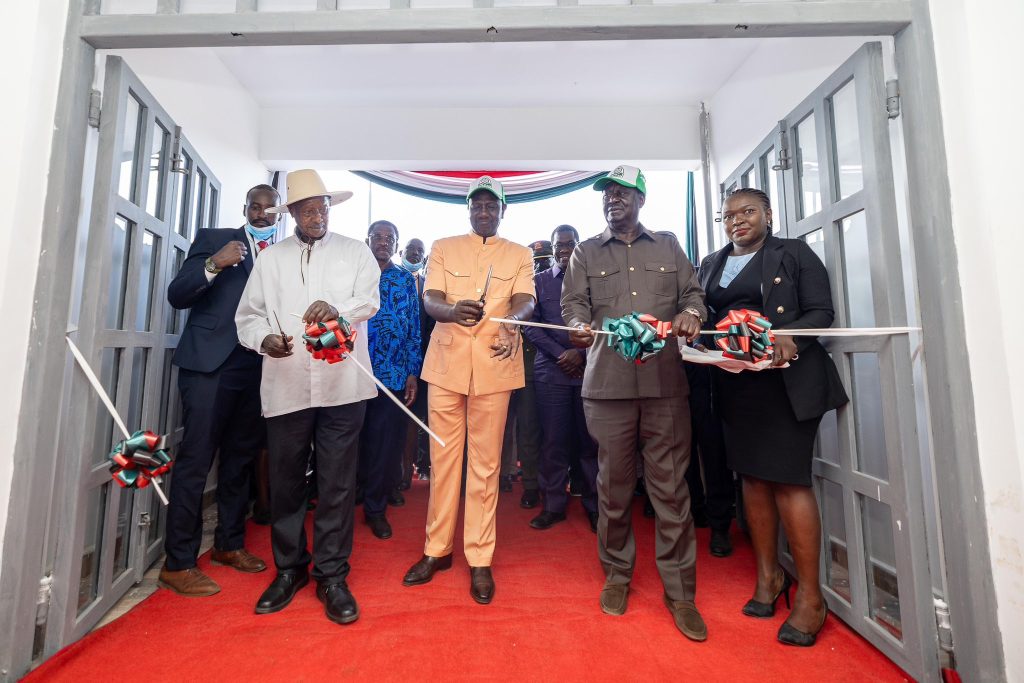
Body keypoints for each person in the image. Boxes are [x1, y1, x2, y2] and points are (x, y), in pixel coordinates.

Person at [562, 165, 709, 642]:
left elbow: (693, 295)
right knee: (614, 488)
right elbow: (573, 307)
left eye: (623, 193)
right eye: (607, 194)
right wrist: (579, 327)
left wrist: (690, 314)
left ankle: (681, 592)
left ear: (641, 199)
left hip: (666, 385)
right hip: (607, 387)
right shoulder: (584, 251)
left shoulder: (668, 245)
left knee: (670, 490)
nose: (613, 200)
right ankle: (618, 575)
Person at [698, 187, 848, 646]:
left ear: (768, 214)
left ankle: (812, 598)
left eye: (747, 212)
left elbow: (822, 311)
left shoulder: (795, 253)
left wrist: (791, 339)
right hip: (737, 383)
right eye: (729, 216)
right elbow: (705, 313)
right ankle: (768, 578)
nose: (737, 221)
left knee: (788, 481)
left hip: (785, 383)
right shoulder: (711, 263)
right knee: (753, 480)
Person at [235, 169, 380, 626]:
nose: (318, 215)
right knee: (287, 483)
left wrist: (339, 310)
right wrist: (265, 341)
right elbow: (249, 317)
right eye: (309, 209)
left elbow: (369, 301)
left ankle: (333, 575)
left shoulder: (356, 253)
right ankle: (289, 569)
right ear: (293, 213)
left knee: (337, 483)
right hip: (287, 381)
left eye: (323, 207)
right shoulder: (270, 260)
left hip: (343, 386)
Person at [402, 176, 535, 605]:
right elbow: (431, 299)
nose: (483, 212)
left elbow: (526, 299)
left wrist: (513, 321)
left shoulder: (519, 253)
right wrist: (451, 310)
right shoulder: (443, 246)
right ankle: (436, 551)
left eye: (491, 206)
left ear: (502, 211)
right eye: (476, 205)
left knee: (485, 465)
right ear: (468, 210)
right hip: (446, 366)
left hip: (495, 365)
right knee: (443, 461)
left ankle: (480, 556)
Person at [160, 184, 279, 597]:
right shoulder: (215, 239)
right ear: (245, 209)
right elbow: (178, 295)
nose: (262, 214)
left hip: (256, 366)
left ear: (279, 213)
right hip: (209, 364)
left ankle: (229, 544)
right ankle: (178, 563)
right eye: (255, 207)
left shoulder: (280, 255)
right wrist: (214, 263)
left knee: (239, 460)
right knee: (196, 460)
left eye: (269, 208)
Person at [523, 225, 599, 532]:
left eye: (570, 244)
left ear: (579, 245)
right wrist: (561, 355)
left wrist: (579, 355)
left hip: (589, 371)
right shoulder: (538, 282)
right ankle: (553, 505)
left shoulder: (594, 280)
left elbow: (605, 319)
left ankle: (595, 507)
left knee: (590, 444)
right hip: (551, 373)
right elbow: (530, 325)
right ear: (552, 248)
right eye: (559, 245)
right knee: (553, 442)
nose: (564, 249)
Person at [358, 220, 422, 540]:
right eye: (378, 236)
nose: (383, 242)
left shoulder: (404, 280)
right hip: (353, 370)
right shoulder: (354, 273)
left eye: (389, 238)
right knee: (353, 442)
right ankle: (352, 499)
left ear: (396, 245)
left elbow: (413, 328)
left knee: (385, 443)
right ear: (366, 239)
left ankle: (375, 509)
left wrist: (412, 371)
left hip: (392, 373)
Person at [684, 362, 736, 557]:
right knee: (680, 453)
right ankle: (693, 510)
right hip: (671, 373)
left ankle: (720, 526)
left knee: (714, 450)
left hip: (708, 372)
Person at [399, 238, 433, 489]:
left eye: (420, 251)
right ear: (402, 252)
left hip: (426, 364)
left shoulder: (429, 283)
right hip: (397, 362)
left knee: (418, 420)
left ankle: (409, 472)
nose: (415, 254)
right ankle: (396, 471)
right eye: (411, 250)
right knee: (397, 420)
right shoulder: (393, 277)